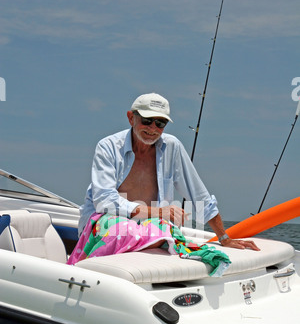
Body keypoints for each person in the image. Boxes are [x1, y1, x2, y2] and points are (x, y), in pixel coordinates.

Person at [77, 92, 259, 254]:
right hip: (106, 221)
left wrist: (224, 238)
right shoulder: (107, 146)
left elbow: (199, 195)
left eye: (160, 123)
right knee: (128, 228)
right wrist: (158, 212)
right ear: (131, 118)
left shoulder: (173, 146)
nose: (153, 129)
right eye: (147, 121)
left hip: (150, 226)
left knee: (170, 230)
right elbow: (104, 201)